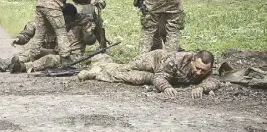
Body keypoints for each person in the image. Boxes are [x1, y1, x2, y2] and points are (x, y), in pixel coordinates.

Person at [27, 0, 100, 65]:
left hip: (41, 3)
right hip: (53, 5)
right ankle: (66, 59)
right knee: (61, 32)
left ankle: (32, 57)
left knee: (39, 33)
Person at [0, 3, 98, 73]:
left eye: (63, 17)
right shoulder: (55, 23)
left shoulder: (83, 24)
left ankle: (22, 67)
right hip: (55, 51)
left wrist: (88, 33)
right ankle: (7, 63)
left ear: (69, 16)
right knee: (36, 51)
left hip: (70, 57)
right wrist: (20, 38)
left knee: (49, 59)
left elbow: (90, 41)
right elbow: (33, 27)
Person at [78, 49, 220, 99]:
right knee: (126, 72)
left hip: (158, 72)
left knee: (141, 78)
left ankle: (101, 67)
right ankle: (98, 68)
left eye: (203, 71)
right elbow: (159, 77)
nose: (199, 72)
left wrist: (202, 87)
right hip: (152, 61)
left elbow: (214, 81)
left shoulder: (206, 68)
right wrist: (165, 87)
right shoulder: (176, 61)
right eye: (197, 68)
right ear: (193, 60)